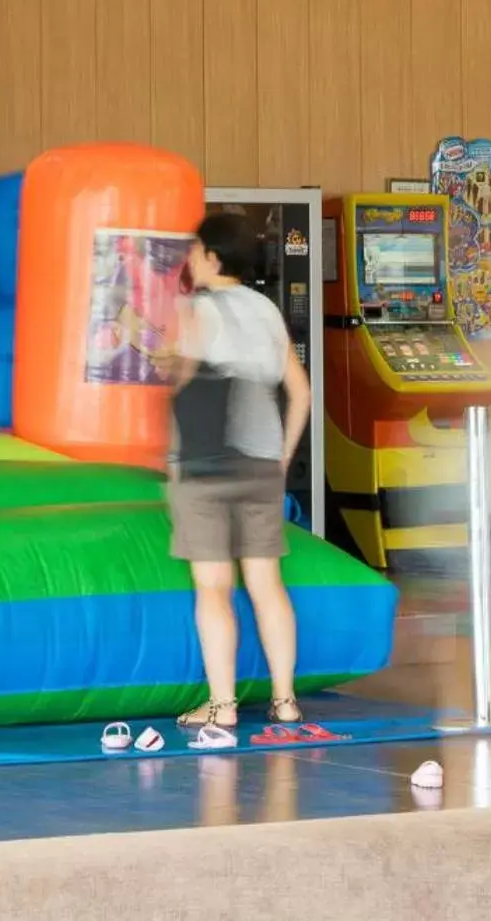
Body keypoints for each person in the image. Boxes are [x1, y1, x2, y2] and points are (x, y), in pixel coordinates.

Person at [169, 212, 313, 738]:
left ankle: (222, 705)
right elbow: (301, 392)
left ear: (212, 257)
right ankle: (286, 701)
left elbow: (180, 378)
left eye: (194, 250)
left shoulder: (194, 310)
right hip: (260, 465)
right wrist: (280, 456)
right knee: (267, 583)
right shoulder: (267, 310)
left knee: (213, 588)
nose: (189, 259)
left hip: (206, 466)